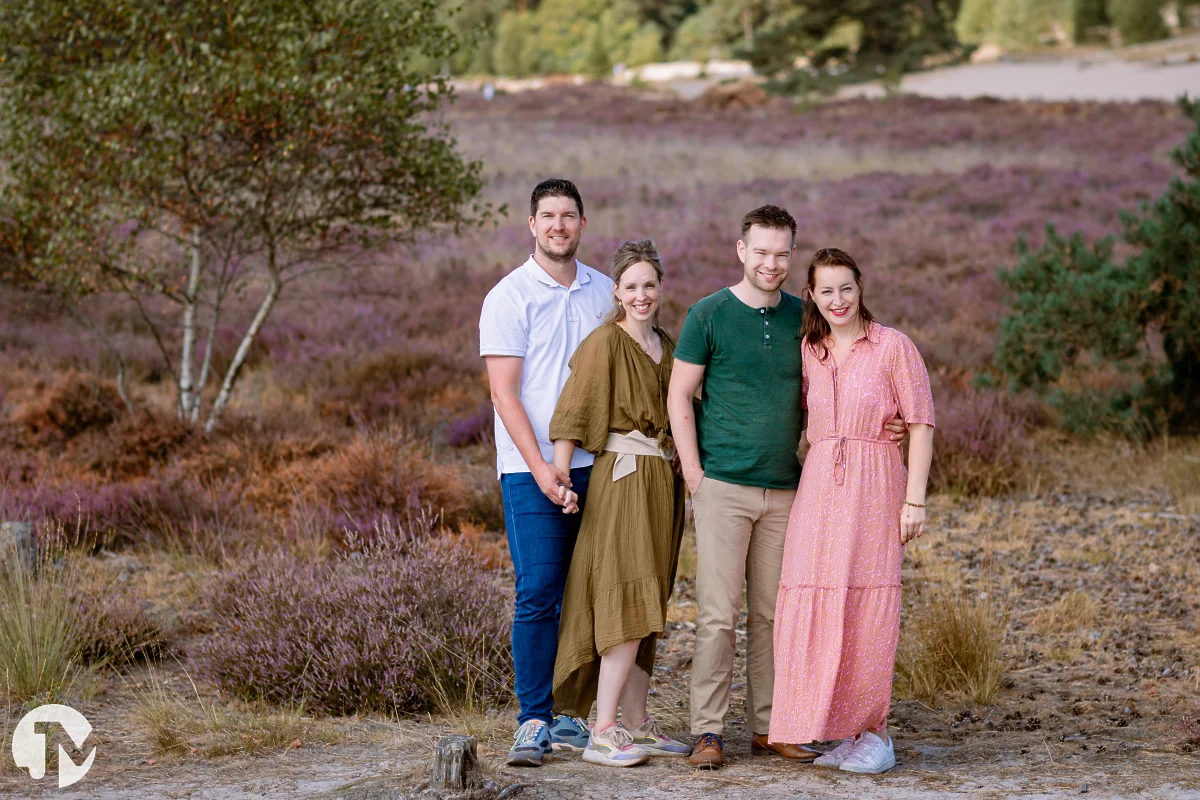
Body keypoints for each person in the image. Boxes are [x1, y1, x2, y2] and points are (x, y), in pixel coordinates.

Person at [667, 207, 906, 769]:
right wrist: (695, 475)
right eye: (762, 252)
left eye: (782, 253)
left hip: (790, 492)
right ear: (741, 251)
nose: (772, 263)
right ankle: (708, 731)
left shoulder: (808, 318)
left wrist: (888, 422)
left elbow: (850, 377)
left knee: (778, 616)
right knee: (718, 616)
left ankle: (773, 726)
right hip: (723, 485)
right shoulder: (709, 315)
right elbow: (680, 395)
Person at [770, 247, 935, 775]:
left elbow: (921, 424)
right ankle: (838, 728)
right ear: (812, 296)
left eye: (846, 288)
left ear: (860, 287)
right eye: (826, 291)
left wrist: (914, 499)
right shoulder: (809, 351)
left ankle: (876, 734)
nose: (837, 300)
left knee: (868, 601)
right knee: (813, 594)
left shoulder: (893, 347)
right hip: (819, 485)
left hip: (876, 482)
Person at [479, 179, 612, 767]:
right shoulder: (508, 297)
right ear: (531, 224)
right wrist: (539, 469)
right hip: (528, 471)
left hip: (601, 467)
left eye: (569, 215)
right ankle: (533, 718)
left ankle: (579, 716)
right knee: (538, 593)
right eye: (548, 216)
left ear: (583, 224)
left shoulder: (606, 291)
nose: (559, 225)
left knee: (595, 594)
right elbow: (504, 394)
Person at [548, 240, 690, 768]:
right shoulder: (605, 342)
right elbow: (574, 408)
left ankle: (637, 722)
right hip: (622, 478)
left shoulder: (670, 346)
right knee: (625, 594)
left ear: (660, 288)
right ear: (616, 291)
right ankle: (603, 729)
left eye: (649, 284)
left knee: (649, 597)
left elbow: (694, 408)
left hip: (661, 480)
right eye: (630, 286)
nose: (641, 295)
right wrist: (560, 475)